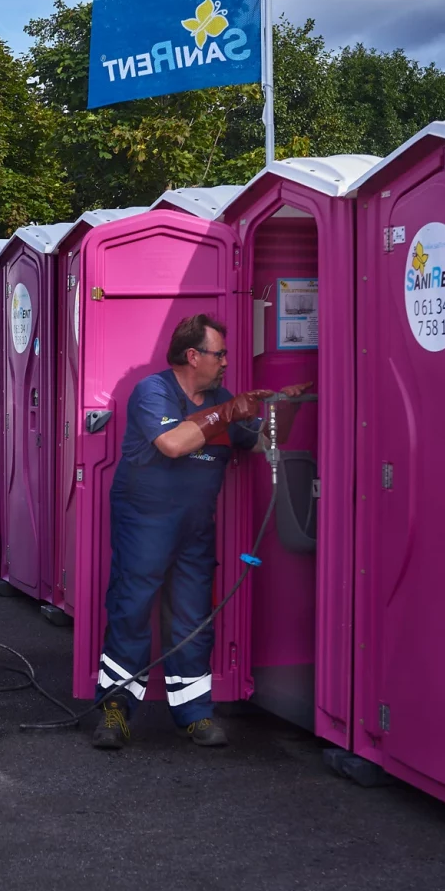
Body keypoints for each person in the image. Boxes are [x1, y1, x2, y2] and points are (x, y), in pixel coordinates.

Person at [92, 313, 309, 750]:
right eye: (220, 353)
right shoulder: (153, 392)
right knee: (131, 610)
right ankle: (115, 711)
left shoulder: (222, 397)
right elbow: (172, 445)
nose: (226, 361)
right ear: (193, 356)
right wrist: (228, 412)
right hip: (145, 523)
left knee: (193, 619)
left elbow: (266, 444)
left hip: (194, 529)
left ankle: (194, 713)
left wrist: (284, 409)